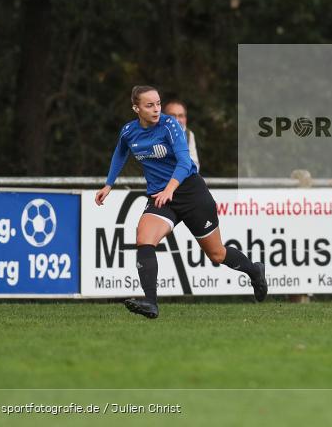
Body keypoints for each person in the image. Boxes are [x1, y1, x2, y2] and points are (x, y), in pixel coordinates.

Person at [96, 85, 267, 318]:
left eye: (158, 103)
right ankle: (151, 303)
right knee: (144, 238)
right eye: (149, 105)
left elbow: (185, 163)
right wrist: (109, 184)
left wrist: (170, 189)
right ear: (136, 108)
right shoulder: (128, 131)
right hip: (161, 197)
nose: (156, 109)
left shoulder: (170, 126)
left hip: (191, 194)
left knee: (216, 254)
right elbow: (120, 152)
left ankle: (254, 271)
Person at [163, 98, 200, 171]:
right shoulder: (153, 132)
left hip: (183, 178)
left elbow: (195, 164)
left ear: (185, 118)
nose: (177, 120)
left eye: (180, 116)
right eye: (172, 115)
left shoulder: (189, 134)